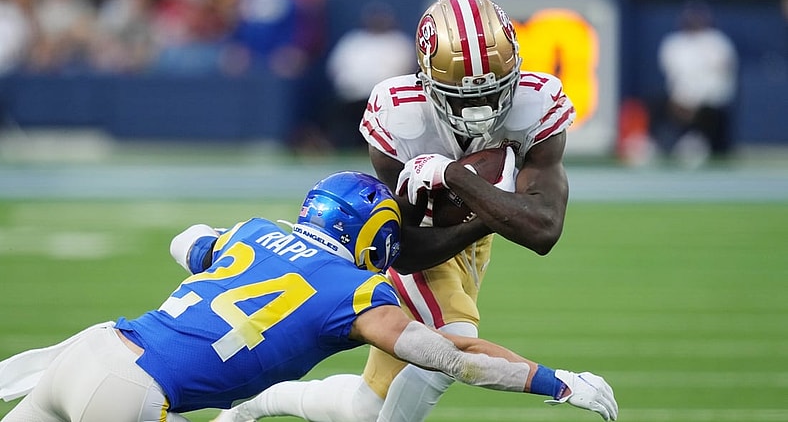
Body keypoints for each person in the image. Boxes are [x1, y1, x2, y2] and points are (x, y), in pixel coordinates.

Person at [215, 0, 600, 422]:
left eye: (493, 94)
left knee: (365, 407)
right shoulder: (400, 113)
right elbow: (407, 249)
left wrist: (456, 178)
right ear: (425, 80)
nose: (479, 111)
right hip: (417, 238)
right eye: (460, 97)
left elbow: (543, 231)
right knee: (448, 350)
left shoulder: (537, 101)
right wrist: (495, 207)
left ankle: (258, 403)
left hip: (470, 236)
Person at [0, 171, 618, 422]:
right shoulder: (353, 292)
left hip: (86, 352)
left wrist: (218, 248)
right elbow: (451, 358)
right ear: (374, 234)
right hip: (132, 392)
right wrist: (554, 381)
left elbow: (185, 241)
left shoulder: (251, 232)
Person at [654, 1, 738, 167]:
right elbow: (674, 77)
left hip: (710, 101)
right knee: (657, 104)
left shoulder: (717, 42)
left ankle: (698, 143)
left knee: (709, 113)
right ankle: (656, 144)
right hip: (680, 99)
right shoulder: (674, 43)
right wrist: (683, 98)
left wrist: (697, 100)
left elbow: (721, 79)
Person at [323, 0, 414, 150]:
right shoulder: (353, 40)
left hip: (384, 99)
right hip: (351, 96)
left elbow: (403, 70)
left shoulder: (398, 42)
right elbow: (335, 68)